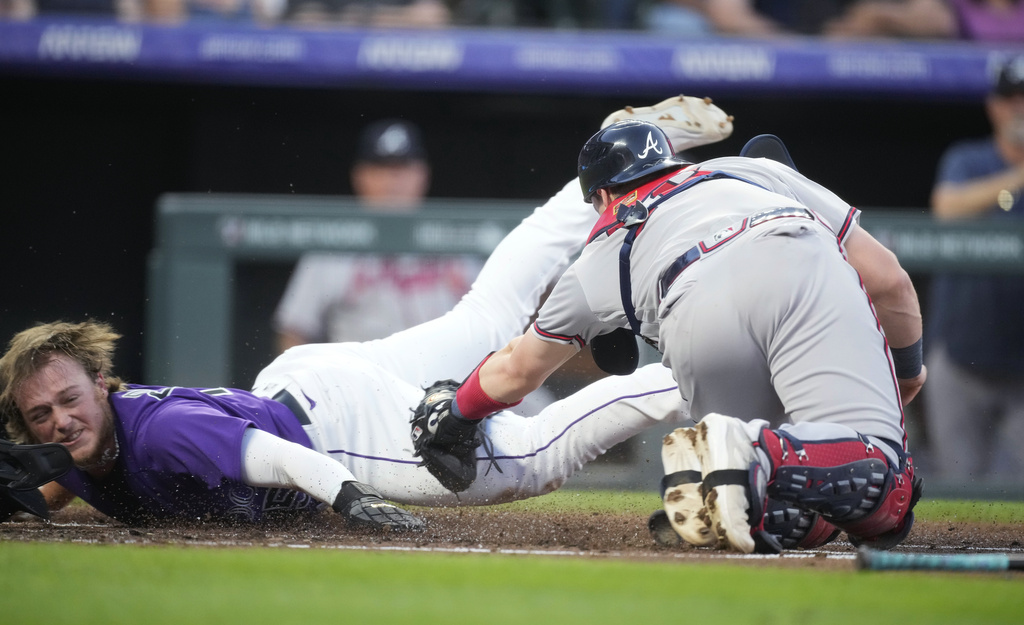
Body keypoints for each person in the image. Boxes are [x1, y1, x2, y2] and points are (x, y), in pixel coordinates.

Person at [0, 95, 735, 531]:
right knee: (494, 308)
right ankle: (615, 156)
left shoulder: (157, 434)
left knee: (537, 457)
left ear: (102, 382)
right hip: (316, 377)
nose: (59, 421)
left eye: (68, 399)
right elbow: (78, 465)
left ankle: (709, 368)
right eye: (41, 415)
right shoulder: (85, 442)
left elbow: (271, 458)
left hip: (334, 430)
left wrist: (348, 497)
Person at [414, 119, 926, 554]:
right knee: (888, 495)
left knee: (758, 505)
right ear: (669, 161)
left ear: (603, 195)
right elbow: (889, 281)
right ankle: (748, 449)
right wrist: (905, 374)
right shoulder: (751, 171)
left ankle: (738, 452)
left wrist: (459, 411)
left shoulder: (595, 259)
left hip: (689, 312)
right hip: (789, 255)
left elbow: (516, 368)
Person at [273, 119, 484, 352]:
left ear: (422, 174)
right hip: (357, 381)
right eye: (380, 169)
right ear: (359, 176)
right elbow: (294, 330)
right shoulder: (333, 243)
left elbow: (495, 322)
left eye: (401, 169)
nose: (391, 182)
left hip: (444, 382)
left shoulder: (455, 236)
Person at [924, 54, 1024, 481]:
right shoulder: (968, 159)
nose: (1018, 107)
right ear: (992, 106)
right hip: (962, 359)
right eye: (1009, 98)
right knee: (959, 499)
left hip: (1022, 365)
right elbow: (946, 207)